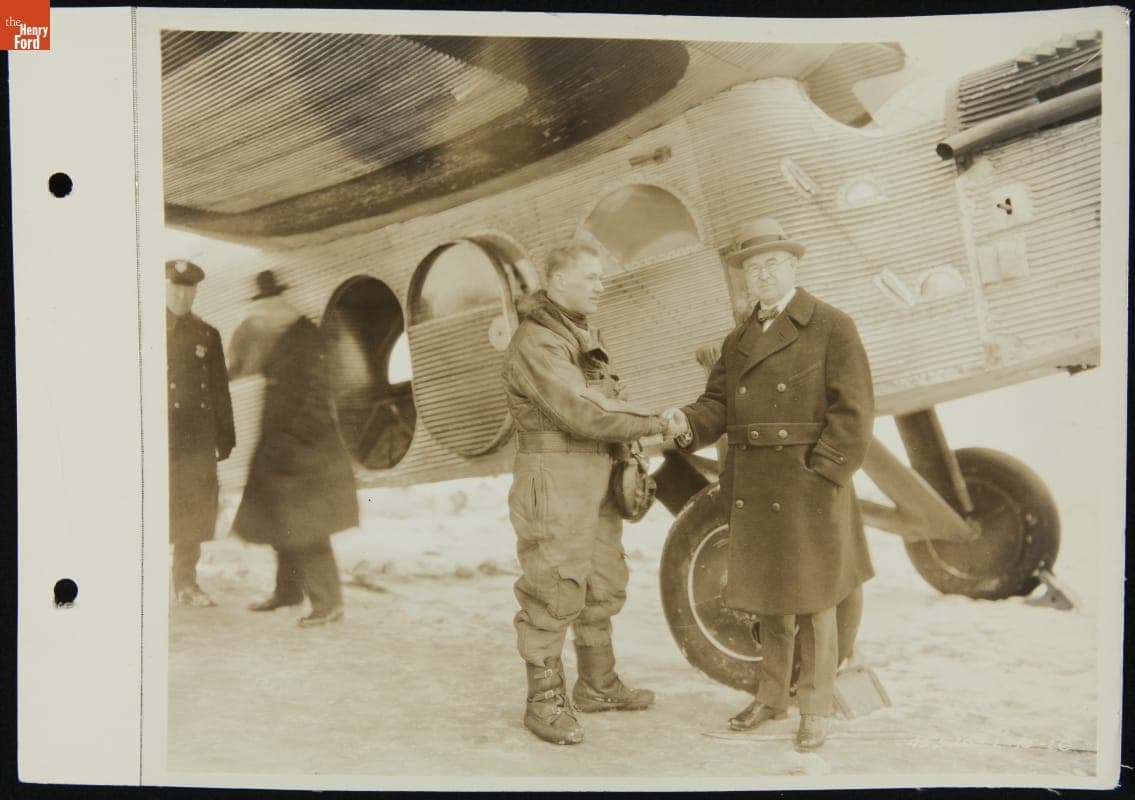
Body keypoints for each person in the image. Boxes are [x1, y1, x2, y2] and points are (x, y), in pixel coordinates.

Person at [662, 218, 875, 752]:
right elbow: (718, 406)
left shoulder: (832, 325)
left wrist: (824, 474)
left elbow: (854, 413)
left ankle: (815, 707)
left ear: (793, 266)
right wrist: (685, 422)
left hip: (810, 487)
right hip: (754, 485)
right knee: (769, 601)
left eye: (772, 264)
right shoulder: (738, 340)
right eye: (752, 268)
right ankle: (772, 697)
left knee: (816, 601)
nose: (761, 275)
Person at [501, 242, 678, 746]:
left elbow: (605, 399)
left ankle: (597, 685)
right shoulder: (537, 342)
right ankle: (543, 703)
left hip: (592, 471)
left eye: (602, 277)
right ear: (557, 281)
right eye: (591, 277)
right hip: (554, 475)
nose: (602, 285)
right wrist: (658, 421)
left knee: (601, 581)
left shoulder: (576, 335)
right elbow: (585, 412)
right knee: (553, 586)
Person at [227, 270, 360, 627]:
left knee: (308, 527)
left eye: (264, 307)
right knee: (281, 521)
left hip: (307, 451)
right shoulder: (283, 334)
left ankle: (328, 603)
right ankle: (288, 592)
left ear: (276, 304)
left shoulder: (305, 338)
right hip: (283, 449)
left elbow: (318, 397)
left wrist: (291, 441)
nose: (261, 315)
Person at [166, 259, 235, 607]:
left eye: (188, 288)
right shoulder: (141, 327)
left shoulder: (207, 335)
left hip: (194, 439)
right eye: (175, 286)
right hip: (159, 438)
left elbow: (219, 389)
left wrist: (225, 436)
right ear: (164, 286)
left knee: (191, 512)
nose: (181, 294)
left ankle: (185, 584)